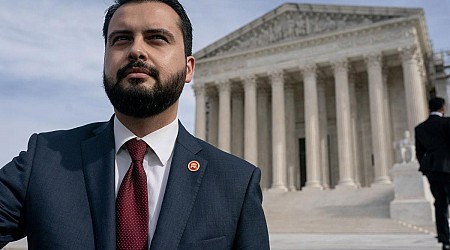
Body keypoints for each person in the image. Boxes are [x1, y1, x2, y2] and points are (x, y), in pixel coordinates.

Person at [0, 0, 270, 249]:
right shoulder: (46, 159)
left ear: (189, 68)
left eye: (157, 38)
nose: (136, 50)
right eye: (121, 39)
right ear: (105, 60)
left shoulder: (236, 183)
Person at [415, 97, 450, 250]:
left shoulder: (420, 128)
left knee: (440, 204)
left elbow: (419, 153)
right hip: (448, 168)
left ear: (429, 109)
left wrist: (426, 168)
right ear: (443, 108)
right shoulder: (447, 123)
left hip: (432, 170)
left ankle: (445, 240)